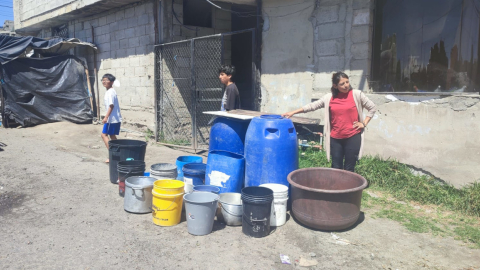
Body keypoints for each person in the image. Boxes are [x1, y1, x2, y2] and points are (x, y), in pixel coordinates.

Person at [282, 71, 376, 172]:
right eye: (342, 84)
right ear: (335, 86)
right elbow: (312, 106)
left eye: (347, 82)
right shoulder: (328, 98)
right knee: (335, 167)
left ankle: (348, 187)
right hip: (335, 138)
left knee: (349, 167)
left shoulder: (357, 94)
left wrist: (364, 123)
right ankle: (337, 187)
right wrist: (293, 112)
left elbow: (372, 108)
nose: (346, 85)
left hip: (352, 136)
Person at [101, 74, 122, 163]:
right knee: (112, 136)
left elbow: (111, 105)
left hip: (111, 119)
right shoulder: (111, 91)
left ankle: (113, 155)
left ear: (112, 82)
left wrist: (106, 117)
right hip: (114, 119)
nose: (104, 81)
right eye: (103, 80)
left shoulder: (110, 92)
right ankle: (120, 153)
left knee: (104, 135)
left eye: (107, 80)